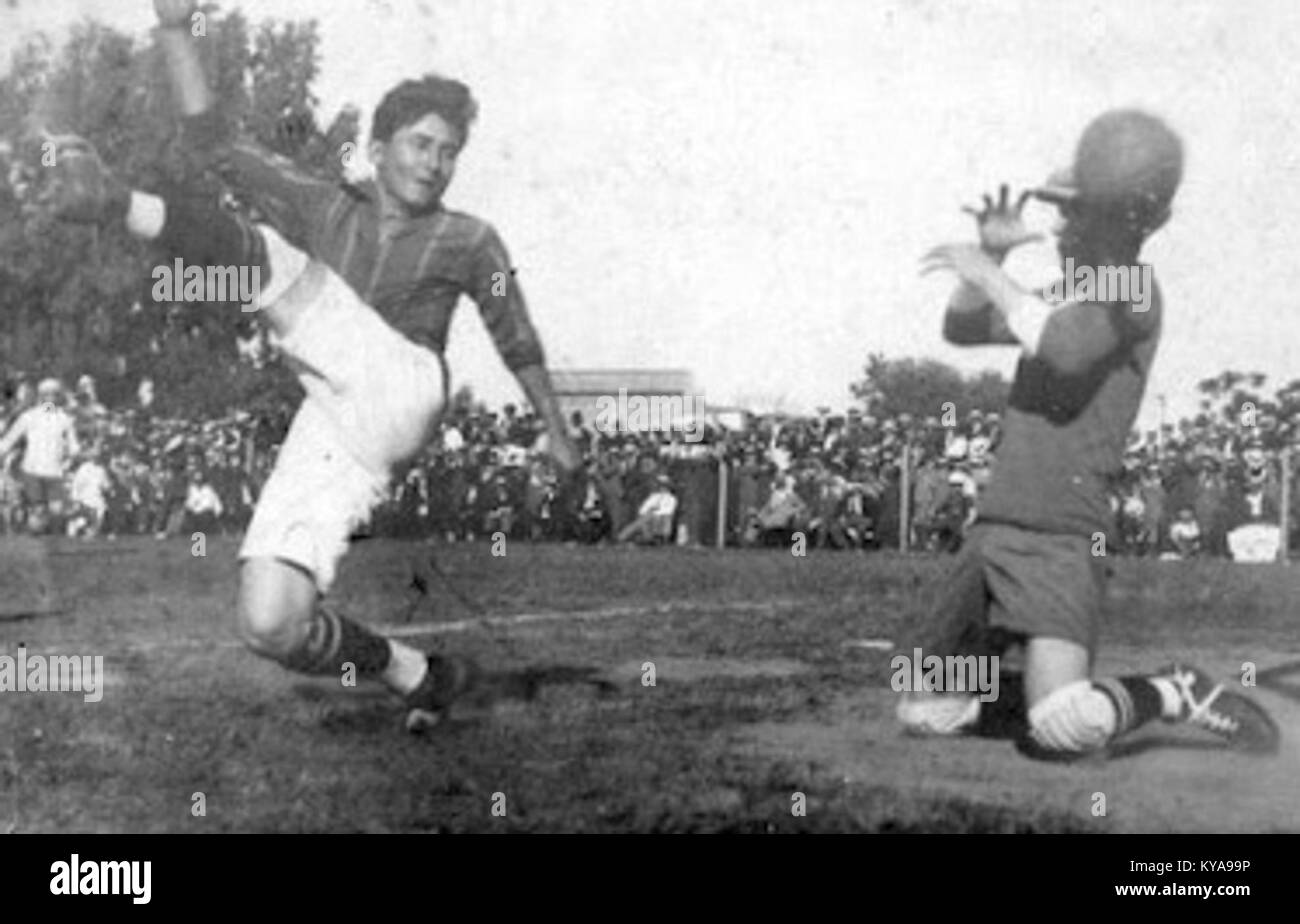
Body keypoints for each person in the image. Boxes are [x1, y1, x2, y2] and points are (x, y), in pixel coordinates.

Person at [44, 0, 579, 732]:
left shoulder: (468, 238)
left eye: (449, 151)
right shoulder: (326, 207)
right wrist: (175, 30)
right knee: (270, 622)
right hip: (334, 414)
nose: (435, 162)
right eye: (421, 144)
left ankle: (113, 200)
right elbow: (216, 145)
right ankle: (418, 674)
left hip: (405, 388)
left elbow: (513, 333)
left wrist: (556, 428)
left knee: (265, 258)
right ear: (379, 146)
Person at [907, 110, 1277, 757]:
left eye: (1071, 211)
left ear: (1112, 215)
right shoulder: (1066, 291)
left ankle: (1170, 691)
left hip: (1059, 536)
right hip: (992, 529)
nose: (1058, 225)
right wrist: (990, 254)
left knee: (1065, 728)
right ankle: (1020, 681)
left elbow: (1065, 350)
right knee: (926, 709)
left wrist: (987, 270)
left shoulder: (1133, 287)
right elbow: (961, 329)